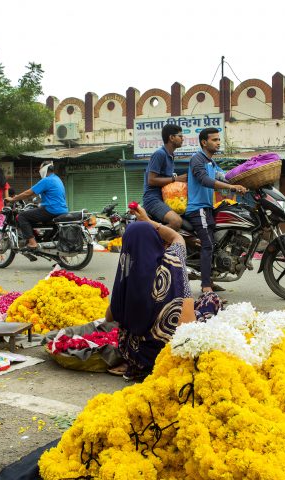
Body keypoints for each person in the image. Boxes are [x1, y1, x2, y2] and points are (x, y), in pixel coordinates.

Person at [105, 205, 221, 381]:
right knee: (209, 299)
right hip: (169, 354)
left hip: (137, 356)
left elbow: (109, 317)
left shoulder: (125, 275)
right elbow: (177, 237)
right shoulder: (172, 262)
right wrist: (149, 222)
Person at [184, 128, 248, 293]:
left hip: (208, 208)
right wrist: (231, 187)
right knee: (208, 245)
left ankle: (210, 280)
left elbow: (223, 176)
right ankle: (206, 286)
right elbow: (204, 180)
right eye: (214, 140)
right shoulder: (197, 159)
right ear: (204, 142)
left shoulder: (211, 162)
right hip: (198, 209)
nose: (218, 142)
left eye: (219, 139)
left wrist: (243, 180)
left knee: (216, 244)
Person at [6, 161, 68, 249]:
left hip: (51, 209)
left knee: (22, 216)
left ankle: (32, 243)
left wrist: (13, 199)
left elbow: (28, 193)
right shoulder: (57, 179)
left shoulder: (46, 180)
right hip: (62, 210)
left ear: (44, 170)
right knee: (35, 215)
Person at [143, 124, 188, 230]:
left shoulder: (171, 156)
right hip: (152, 199)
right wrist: (176, 179)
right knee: (176, 221)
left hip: (165, 198)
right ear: (171, 138)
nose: (183, 139)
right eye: (180, 136)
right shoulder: (160, 154)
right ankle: (151, 242)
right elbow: (151, 180)